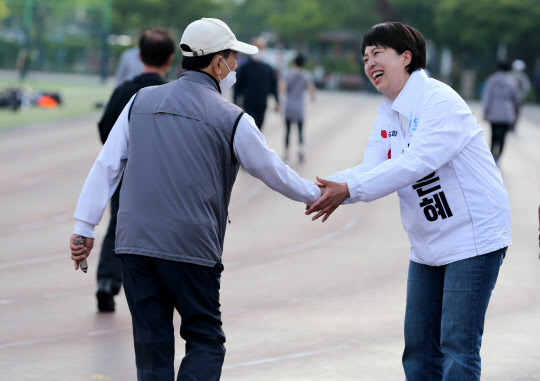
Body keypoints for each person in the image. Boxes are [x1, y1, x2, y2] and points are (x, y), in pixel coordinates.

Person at [70, 17, 320, 380]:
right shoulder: (233, 118)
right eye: (232, 58)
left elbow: (107, 164)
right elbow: (273, 171)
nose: (236, 66)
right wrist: (320, 195)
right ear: (217, 63)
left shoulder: (140, 101)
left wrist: (84, 226)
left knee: (152, 345)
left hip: (135, 246)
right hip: (192, 248)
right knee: (205, 339)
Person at [306, 22, 511, 380]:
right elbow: (372, 167)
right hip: (428, 243)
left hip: (473, 238)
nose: (369, 63)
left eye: (377, 53)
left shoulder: (438, 101)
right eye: (365, 57)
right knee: (417, 349)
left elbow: (413, 163)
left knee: (457, 347)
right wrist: (322, 188)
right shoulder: (389, 110)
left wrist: (348, 190)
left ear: (406, 57)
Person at [95, 29, 176, 312]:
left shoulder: (123, 91)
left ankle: (106, 281)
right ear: (170, 59)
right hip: (160, 176)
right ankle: (161, 292)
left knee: (118, 225)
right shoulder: (171, 96)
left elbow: (104, 128)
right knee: (163, 229)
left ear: (140, 56)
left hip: (126, 172)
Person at [233, 37, 279, 130]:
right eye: (257, 48)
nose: (259, 51)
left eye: (262, 48)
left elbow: (273, 86)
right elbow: (238, 85)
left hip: (262, 104)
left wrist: (277, 102)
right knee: (250, 128)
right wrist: (235, 101)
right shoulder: (245, 67)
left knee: (259, 127)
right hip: (248, 104)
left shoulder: (268, 68)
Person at [482, 60, 519, 165]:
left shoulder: (492, 80)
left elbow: (487, 96)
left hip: (494, 111)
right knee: (503, 136)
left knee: (493, 134)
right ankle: (499, 157)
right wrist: (516, 112)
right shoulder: (512, 81)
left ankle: (493, 154)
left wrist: (485, 111)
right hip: (507, 112)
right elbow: (515, 99)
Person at [280, 54, 316, 163]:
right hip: (299, 107)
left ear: (294, 62)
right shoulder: (306, 75)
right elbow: (311, 89)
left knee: (287, 130)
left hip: (289, 106)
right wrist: (312, 98)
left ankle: (286, 152)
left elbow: (283, 89)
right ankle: (300, 150)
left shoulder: (287, 74)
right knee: (300, 130)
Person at [509, 59, 531, 131]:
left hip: (518, 98)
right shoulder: (510, 75)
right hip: (513, 98)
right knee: (512, 112)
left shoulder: (523, 77)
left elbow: (526, 88)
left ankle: (513, 125)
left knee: (516, 112)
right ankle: (510, 125)